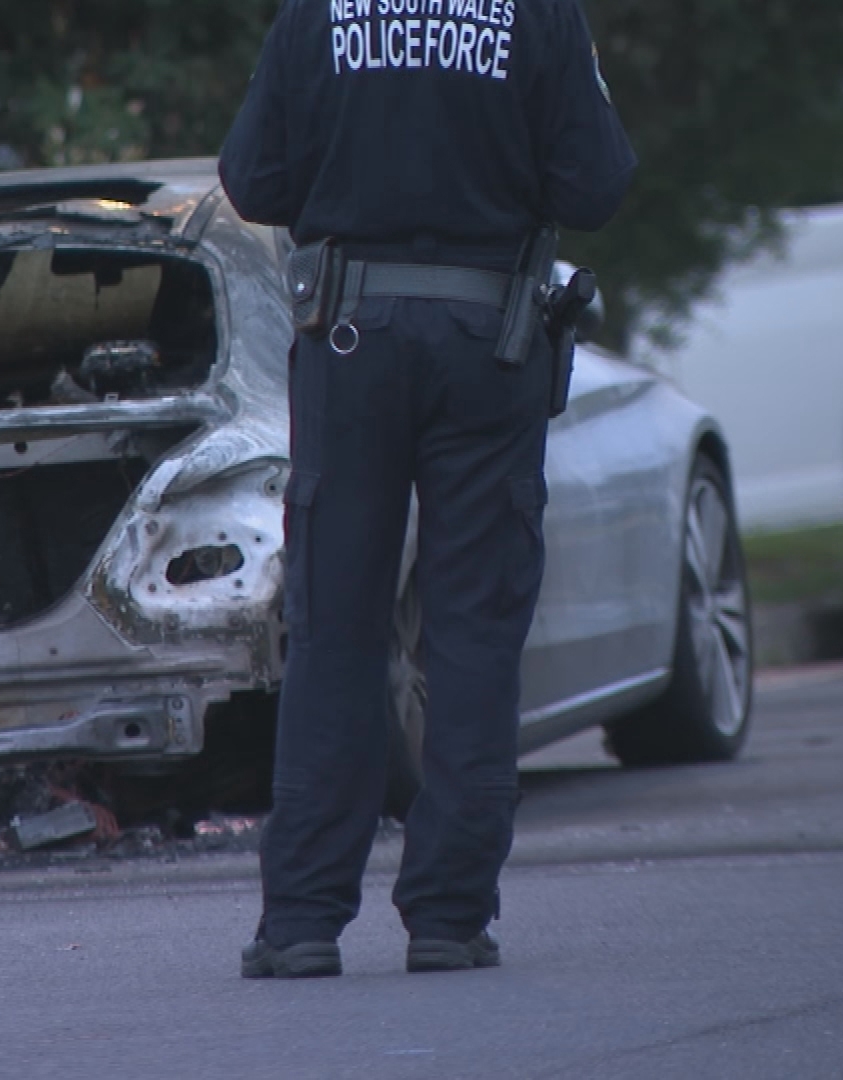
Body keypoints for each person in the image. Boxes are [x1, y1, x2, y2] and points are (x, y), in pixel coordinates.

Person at [220, 0, 636, 978]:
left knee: (336, 626)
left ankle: (303, 923)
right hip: (491, 347)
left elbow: (253, 179)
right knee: (473, 630)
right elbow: (596, 185)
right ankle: (449, 916)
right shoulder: (535, 13)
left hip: (349, 344)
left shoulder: (317, 14)